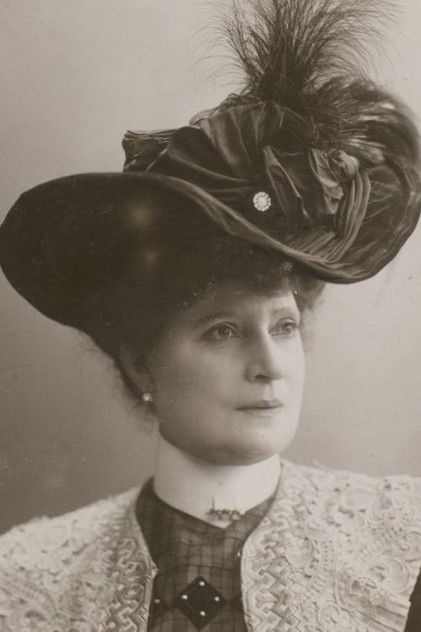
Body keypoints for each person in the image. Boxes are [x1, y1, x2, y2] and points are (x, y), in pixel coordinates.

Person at [0, 0, 420, 630]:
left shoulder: (403, 546)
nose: (270, 365)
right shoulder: (27, 578)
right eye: (222, 331)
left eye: (284, 327)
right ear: (141, 364)